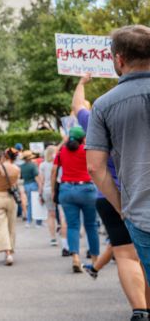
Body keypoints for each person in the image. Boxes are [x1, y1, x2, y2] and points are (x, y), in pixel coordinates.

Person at [77, 65, 150, 319]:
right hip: (135, 196)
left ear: (119, 59)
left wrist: (81, 83)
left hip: (122, 197)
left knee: (127, 256)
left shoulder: (105, 108)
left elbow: (95, 167)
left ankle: (141, 310)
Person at [51, 126, 99, 273]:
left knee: (72, 226)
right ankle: (95, 260)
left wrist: (54, 191)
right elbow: (94, 168)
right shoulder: (87, 150)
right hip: (86, 189)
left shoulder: (62, 152)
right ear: (83, 138)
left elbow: (54, 172)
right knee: (91, 225)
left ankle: (76, 258)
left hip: (67, 190)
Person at [37, 146, 66, 247]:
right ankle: (64, 238)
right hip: (59, 189)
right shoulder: (59, 163)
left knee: (50, 214)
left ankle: (53, 238)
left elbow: (41, 181)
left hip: (47, 190)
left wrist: (40, 194)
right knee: (62, 215)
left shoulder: (42, 165)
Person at [19, 151, 41, 228]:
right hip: (33, 184)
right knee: (37, 203)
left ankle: (28, 221)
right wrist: (40, 186)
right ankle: (38, 222)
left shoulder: (21, 166)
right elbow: (36, 176)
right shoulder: (33, 165)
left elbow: (21, 177)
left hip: (26, 185)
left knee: (29, 203)